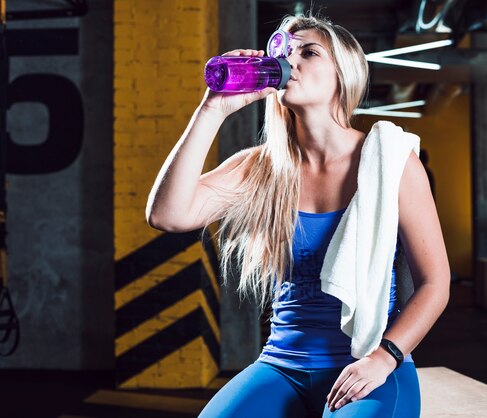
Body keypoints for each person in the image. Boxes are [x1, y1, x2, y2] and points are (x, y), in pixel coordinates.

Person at [146, 13, 450, 418]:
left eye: (308, 52)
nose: (292, 61)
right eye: (285, 52)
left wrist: (385, 357)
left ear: (343, 74)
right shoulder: (260, 168)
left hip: (367, 364)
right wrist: (213, 109)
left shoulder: (391, 162)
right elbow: (168, 215)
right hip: (281, 365)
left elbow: (435, 283)